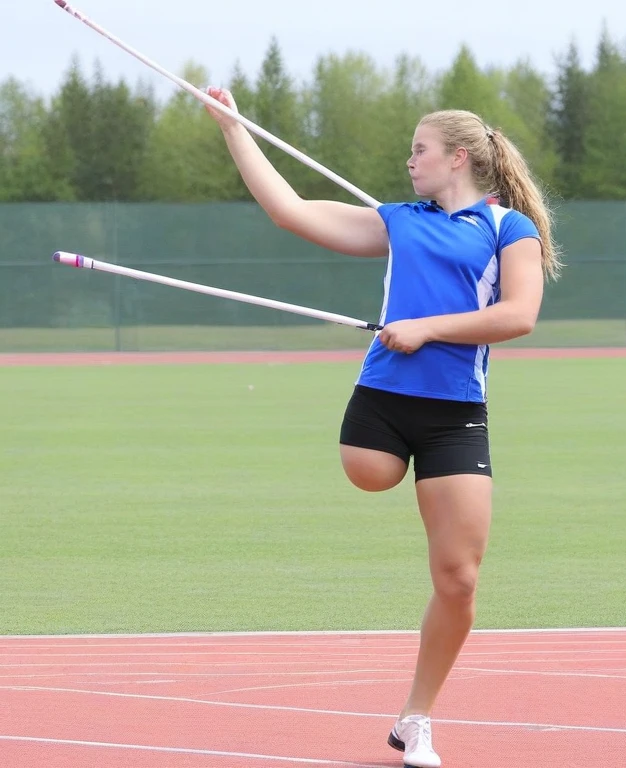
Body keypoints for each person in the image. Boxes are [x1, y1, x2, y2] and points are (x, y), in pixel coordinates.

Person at [205, 89, 561, 768]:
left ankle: (416, 718)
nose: (409, 161)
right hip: (382, 398)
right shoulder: (399, 220)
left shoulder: (507, 228)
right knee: (370, 472)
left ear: (457, 157)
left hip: (455, 411)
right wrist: (234, 129)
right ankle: (396, 470)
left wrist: (428, 328)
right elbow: (291, 212)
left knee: (459, 580)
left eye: (418, 150)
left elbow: (519, 315)